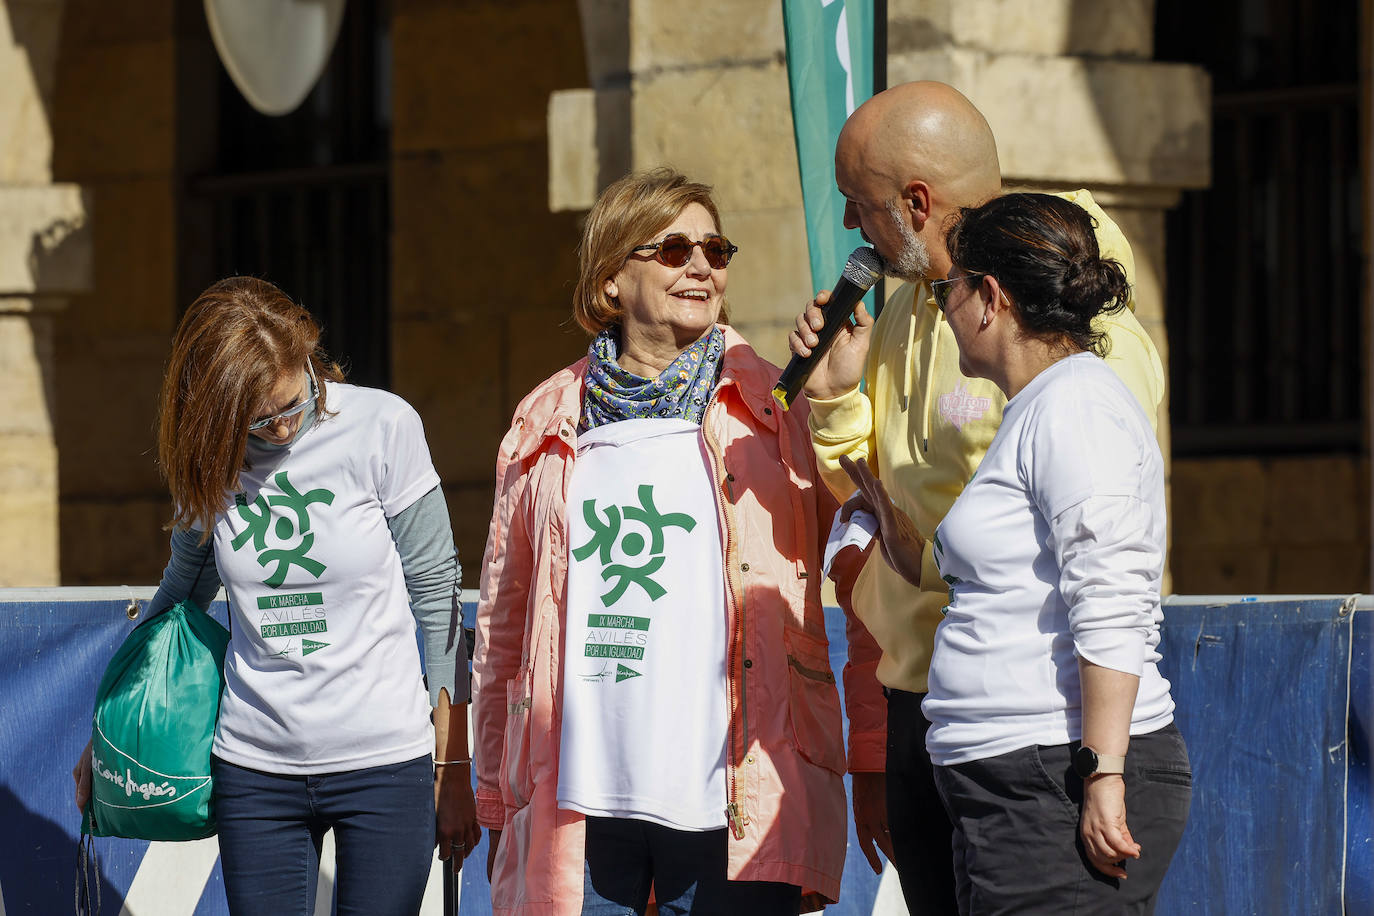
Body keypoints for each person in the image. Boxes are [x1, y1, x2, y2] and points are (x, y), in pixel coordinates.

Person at [787, 81, 1167, 913]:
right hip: (930, 708)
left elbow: (1109, 555)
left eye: (860, 204)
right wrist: (837, 396)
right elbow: (881, 515)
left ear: (917, 201)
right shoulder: (898, 315)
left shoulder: (1065, 320)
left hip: (1045, 723)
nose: (852, 228)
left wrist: (1102, 766)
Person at [473, 168, 849, 915]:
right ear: (612, 280)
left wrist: (839, 398)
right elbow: (505, 619)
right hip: (578, 796)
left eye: (716, 248)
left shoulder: (774, 409)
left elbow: (857, 543)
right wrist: (493, 787)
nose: (702, 265)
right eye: (674, 249)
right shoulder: (546, 418)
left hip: (736, 789)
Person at [72, 277, 479, 915]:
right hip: (255, 769)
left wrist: (453, 761)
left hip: (385, 758)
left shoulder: (384, 424)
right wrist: (113, 728)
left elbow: (435, 588)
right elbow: (180, 595)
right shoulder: (212, 458)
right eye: (262, 420)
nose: (286, 426)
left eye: (297, 400)